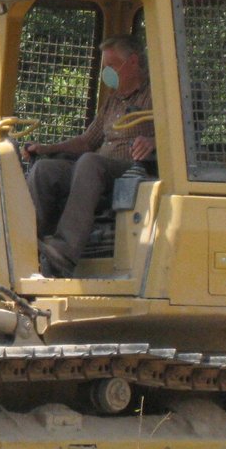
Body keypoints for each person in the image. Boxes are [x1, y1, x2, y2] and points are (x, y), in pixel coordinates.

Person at [21, 35, 155, 278]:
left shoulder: (155, 96)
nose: (107, 74)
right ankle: (27, 247)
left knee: (90, 162)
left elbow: (177, 135)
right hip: (96, 167)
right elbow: (87, 141)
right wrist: (45, 149)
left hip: (131, 169)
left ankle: (64, 252)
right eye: (104, 68)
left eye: (112, 67)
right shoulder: (113, 101)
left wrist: (154, 142)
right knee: (45, 170)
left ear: (133, 61)